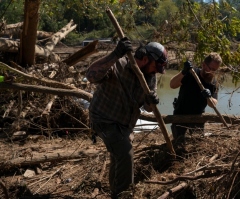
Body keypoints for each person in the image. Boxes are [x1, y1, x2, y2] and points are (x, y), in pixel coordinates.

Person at [86, 37, 167, 198]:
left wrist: (152, 101)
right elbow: (90, 76)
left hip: (125, 125)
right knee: (125, 154)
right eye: (155, 67)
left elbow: (148, 108)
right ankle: (124, 195)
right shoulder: (118, 64)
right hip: (104, 120)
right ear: (144, 59)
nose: (156, 71)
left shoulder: (149, 76)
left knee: (118, 158)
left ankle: (115, 192)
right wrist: (115, 54)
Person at [169, 52, 222, 143]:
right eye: (211, 69)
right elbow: (172, 85)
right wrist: (183, 72)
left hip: (198, 117)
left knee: (197, 144)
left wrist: (209, 97)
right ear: (204, 64)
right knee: (178, 142)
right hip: (180, 114)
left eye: (215, 70)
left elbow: (213, 104)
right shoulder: (191, 73)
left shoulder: (213, 83)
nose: (212, 72)